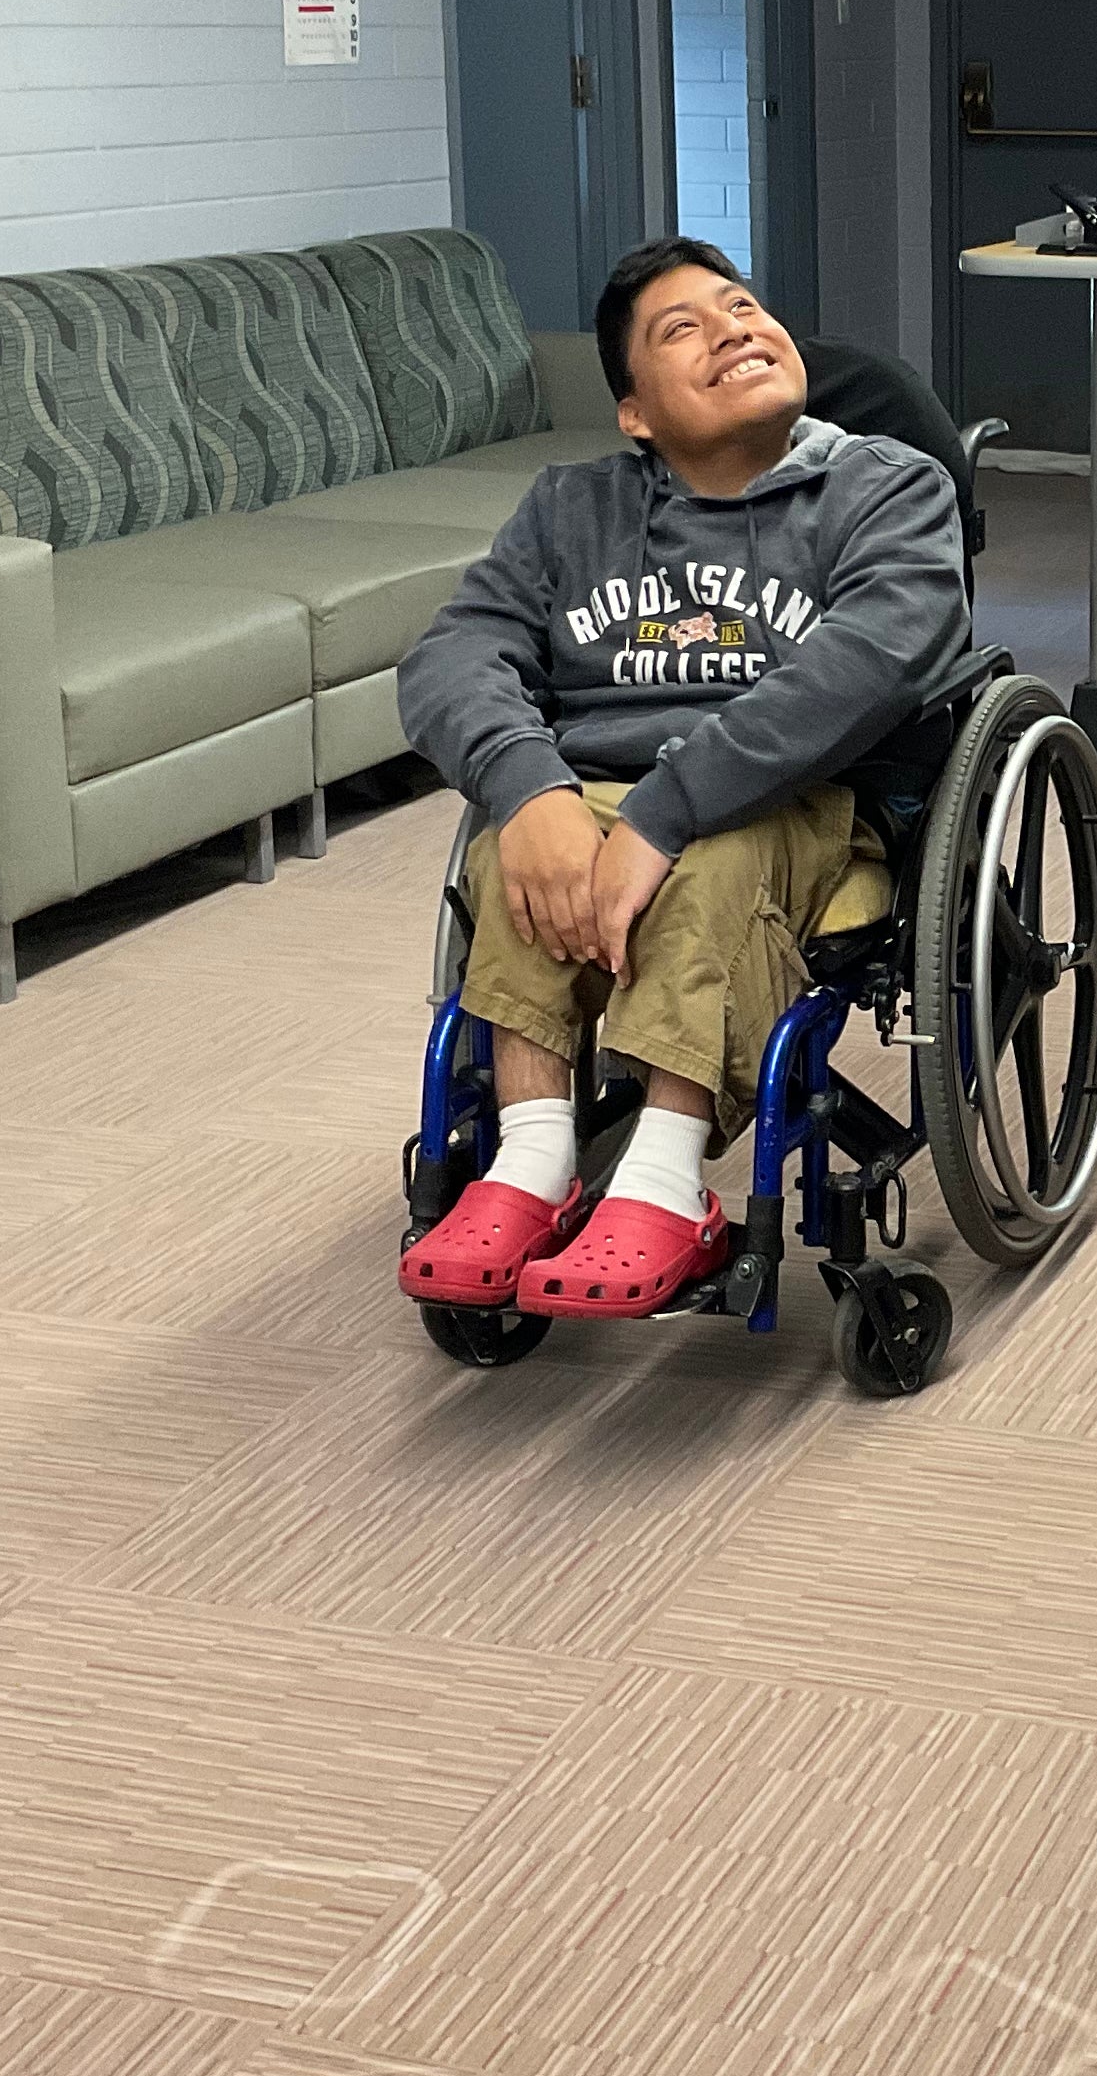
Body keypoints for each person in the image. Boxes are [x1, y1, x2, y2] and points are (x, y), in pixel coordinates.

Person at [391, 238, 973, 1312]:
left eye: (743, 306)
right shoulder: (572, 510)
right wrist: (531, 791)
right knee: (507, 855)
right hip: (597, 791)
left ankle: (665, 1183)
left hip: (798, 803)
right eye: (683, 329)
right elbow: (452, 656)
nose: (735, 328)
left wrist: (665, 813)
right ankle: (529, 1165)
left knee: (712, 862)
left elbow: (882, 653)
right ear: (635, 412)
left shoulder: (883, 488)